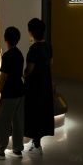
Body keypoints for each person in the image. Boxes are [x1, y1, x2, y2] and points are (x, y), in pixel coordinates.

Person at [0, 26, 25, 160]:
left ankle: (0, 151)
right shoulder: (19, 54)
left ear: (5, 39)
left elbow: (3, 76)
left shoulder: (7, 56)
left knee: (1, 121)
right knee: (17, 121)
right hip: (20, 91)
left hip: (10, 93)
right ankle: (17, 149)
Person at [23, 18, 55, 155]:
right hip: (45, 83)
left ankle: (36, 145)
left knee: (34, 112)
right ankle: (37, 142)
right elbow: (50, 64)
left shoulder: (34, 49)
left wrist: (24, 74)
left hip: (34, 86)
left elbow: (30, 69)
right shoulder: (48, 46)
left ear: (31, 32)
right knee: (42, 111)